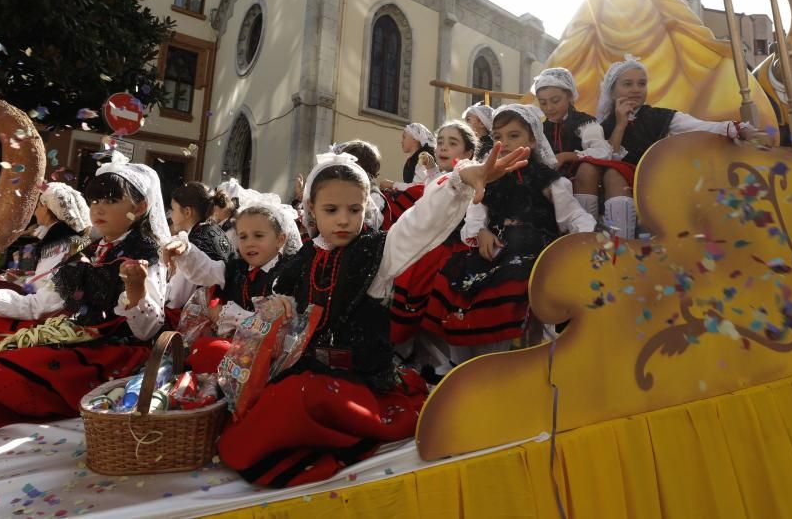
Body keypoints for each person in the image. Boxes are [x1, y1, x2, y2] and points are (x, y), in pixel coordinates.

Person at [216, 145, 530, 487]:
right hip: (309, 369)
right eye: (331, 209)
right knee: (275, 393)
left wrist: (458, 182)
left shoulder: (376, 252)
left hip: (358, 378)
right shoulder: (307, 254)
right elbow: (282, 287)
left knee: (299, 396)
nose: (343, 219)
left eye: (354, 209)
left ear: (366, 208)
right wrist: (281, 304)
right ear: (311, 210)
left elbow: (417, 225)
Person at [0, 154, 169, 434]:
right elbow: (37, 305)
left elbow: (146, 331)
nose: (98, 209)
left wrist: (136, 290)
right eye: (94, 200)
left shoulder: (147, 254)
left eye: (110, 200)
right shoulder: (86, 248)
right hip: (72, 336)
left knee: (0, 369)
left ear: (140, 207)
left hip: (115, 352)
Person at [424, 104, 596, 360]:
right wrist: (480, 232)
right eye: (498, 137)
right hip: (497, 248)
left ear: (534, 141)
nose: (503, 143)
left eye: (513, 136)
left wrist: (583, 241)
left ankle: (529, 359)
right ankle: (473, 363)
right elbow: (475, 214)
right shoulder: (489, 179)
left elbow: (573, 216)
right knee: (456, 279)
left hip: (535, 250)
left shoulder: (549, 180)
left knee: (517, 281)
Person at [597, 55, 766, 239]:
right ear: (612, 92)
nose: (636, 90)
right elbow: (606, 161)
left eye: (642, 83)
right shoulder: (601, 126)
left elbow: (702, 126)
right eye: (628, 84)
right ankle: (620, 248)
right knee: (613, 175)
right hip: (617, 187)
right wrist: (620, 125)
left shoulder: (658, 116)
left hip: (655, 183)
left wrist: (739, 128)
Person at [163, 190, 303, 372]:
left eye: (258, 236)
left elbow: (280, 328)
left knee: (212, 350)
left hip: (264, 356)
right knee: (206, 348)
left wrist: (231, 315)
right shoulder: (236, 268)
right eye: (243, 237)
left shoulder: (286, 275)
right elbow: (207, 270)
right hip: (234, 349)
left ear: (280, 239)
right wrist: (186, 251)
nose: (249, 243)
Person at [391, 121, 478, 375]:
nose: (443, 147)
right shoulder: (440, 175)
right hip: (431, 241)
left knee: (418, 274)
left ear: (470, 153)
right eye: (441, 142)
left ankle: (434, 356)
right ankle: (404, 345)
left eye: (453, 143)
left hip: (452, 244)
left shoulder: (468, 175)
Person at [533, 67, 613, 221]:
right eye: (543, 103)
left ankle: (586, 230)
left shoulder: (584, 122)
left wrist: (568, 156)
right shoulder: (540, 128)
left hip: (582, 182)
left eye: (555, 101)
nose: (549, 108)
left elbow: (603, 151)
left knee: (587, 169)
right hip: (551, 184)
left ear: (569, 96)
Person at [164, 182, 232, 325]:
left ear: (187, 212)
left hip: (200, 320)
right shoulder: (216, 230)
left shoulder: (191, 244)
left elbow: (177, 298)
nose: (170, 215)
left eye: (173, 209)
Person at [379, 123, 436, 192]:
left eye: (404, 137)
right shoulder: (412, 159)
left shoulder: (424, 158)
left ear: (415, 138)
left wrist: (392, 184)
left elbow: (417, 187)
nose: (401, 141)